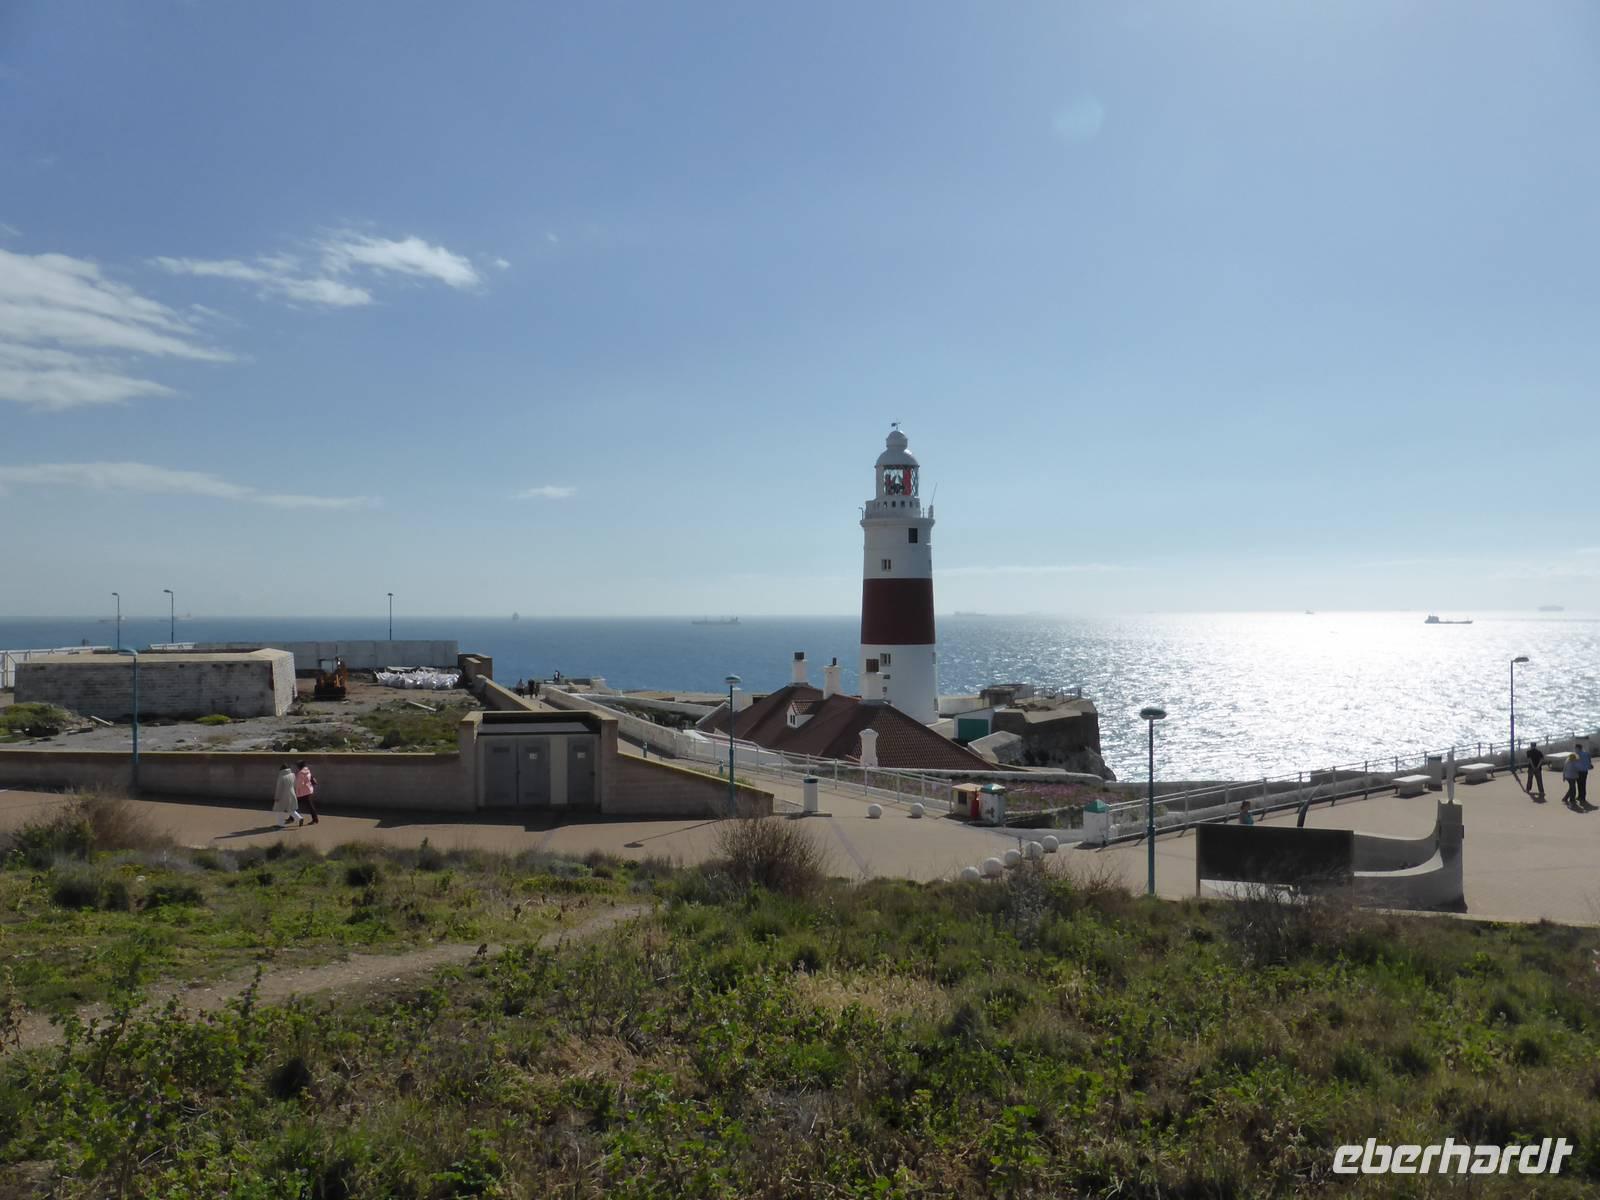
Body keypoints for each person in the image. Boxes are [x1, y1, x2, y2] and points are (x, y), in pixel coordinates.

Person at [294, 760, 320, 825]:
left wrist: (296, 787)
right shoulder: (307, 771)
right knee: (310, 806)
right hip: (308, 790)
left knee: (295, 805)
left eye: (297, 765)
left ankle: (315, 819)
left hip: (302, 792)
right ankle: (315, 819)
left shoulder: (301, 773)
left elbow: (300, 783)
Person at [1578, 743, 1593, 810]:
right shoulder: (1587, 753)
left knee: (1579, 784)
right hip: (1585, 771)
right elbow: (1590, 761)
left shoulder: (1577, 754)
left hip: (1579, 771)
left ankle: (1580, 796)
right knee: (1583, 784)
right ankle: (1582, 797)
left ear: (1578, 748)